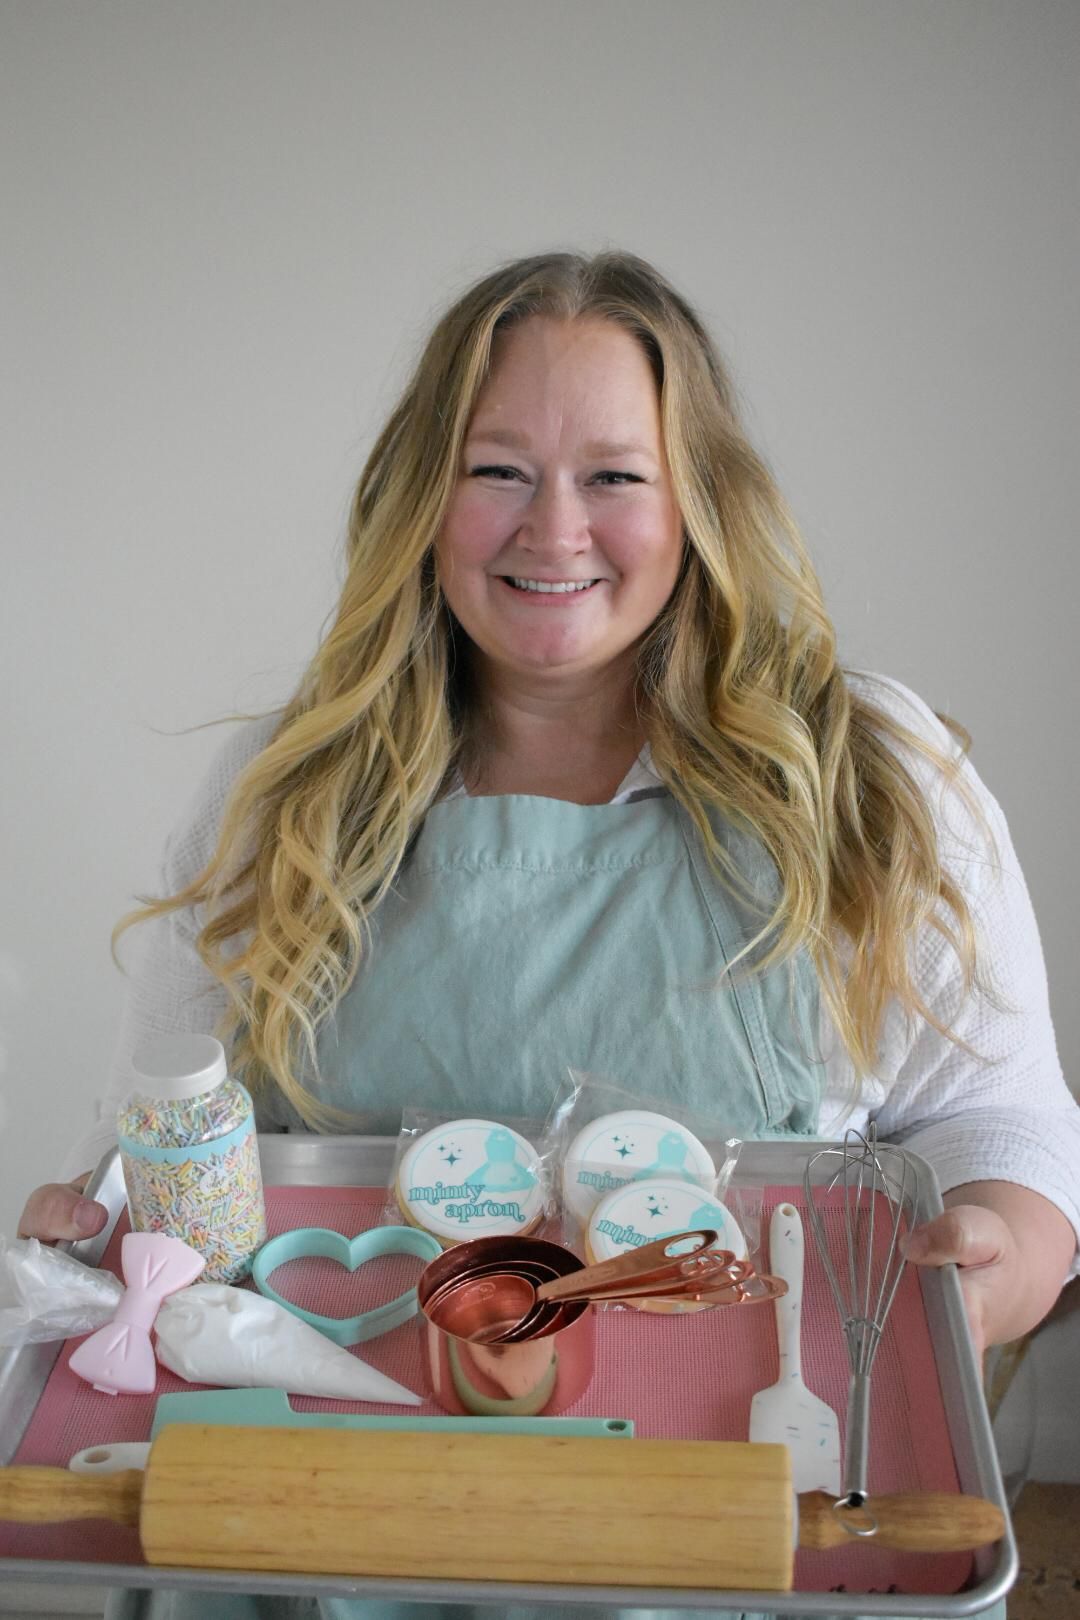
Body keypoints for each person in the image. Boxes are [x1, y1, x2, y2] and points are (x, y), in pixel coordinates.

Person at [17, 251, 1080, 1620]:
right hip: (334, 1522)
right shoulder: (289, 791)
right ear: (423, 496)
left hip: (741, 1506)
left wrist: (1002, 1244)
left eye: (616, 476)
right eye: (498, 469)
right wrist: (97, 1221)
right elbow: (157, 1124)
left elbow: (999, 1118)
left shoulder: (871, 774)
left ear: (699, 495)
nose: (554, 528)